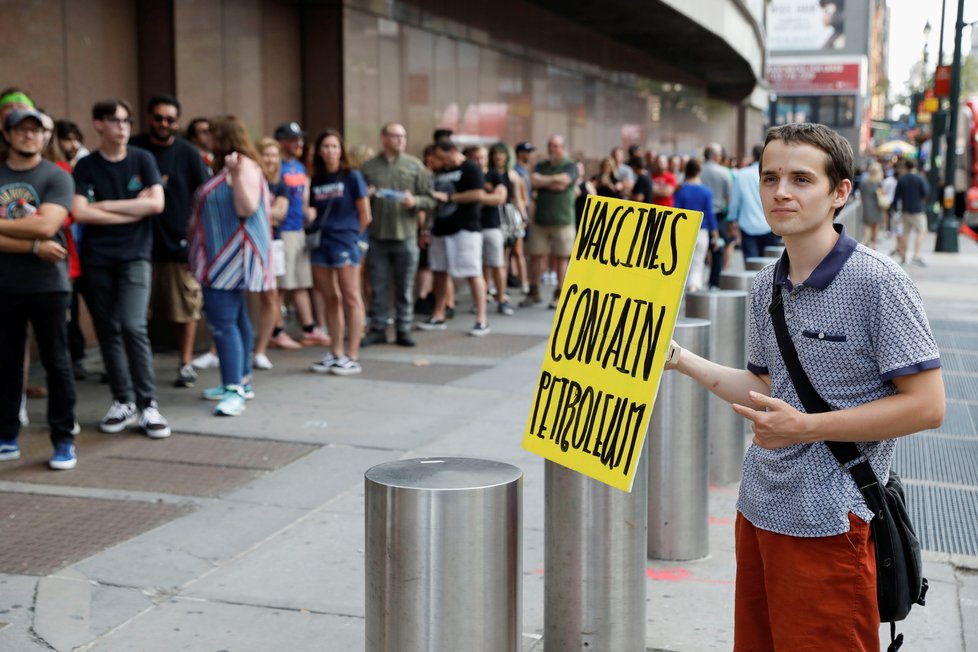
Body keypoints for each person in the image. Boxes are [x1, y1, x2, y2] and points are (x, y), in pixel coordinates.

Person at [665, 122, 944, 650]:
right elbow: (765, 386)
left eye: (800, 179)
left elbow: (927, 407)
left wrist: (805, 427)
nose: (781, 193)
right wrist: (679, 359)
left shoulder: (879, 282)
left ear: (840, 192)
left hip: (832, 521)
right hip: (758, 510)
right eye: (770, 178)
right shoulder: (764, 282)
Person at [71, 98, 170, 438]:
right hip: (98, 260)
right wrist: (133, 207)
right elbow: (80, 212)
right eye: (115, 121)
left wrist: (106, 206)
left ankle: (148, 404)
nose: (123, 127)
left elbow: (157, 204)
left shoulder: (143, 159)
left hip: (135, 257)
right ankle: (122, 401)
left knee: (132, 325)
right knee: (108, 330)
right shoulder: (86, 167)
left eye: (126, 121)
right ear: (98, 125)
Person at [0, 107, 79, 469]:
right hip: (5, 285)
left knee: (56, 362)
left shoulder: (56, 177)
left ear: (45, 136)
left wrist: (29, 233)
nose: (28, 136)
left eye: (35, 130)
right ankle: (6, 435)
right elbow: (37, 234)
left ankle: (63, 439)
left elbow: (47, 226)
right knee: (7, 364)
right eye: (21, 130)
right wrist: (32, 245)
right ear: (8, 135)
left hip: (49, 285)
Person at [188, 115, 272, 416]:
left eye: (210, 133)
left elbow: (246, 207)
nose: (205, 137)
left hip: (228, 259)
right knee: (236, 320)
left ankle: (234, 388)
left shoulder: (242, 165)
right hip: (223, 256)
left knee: (223, 324)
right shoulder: (233, 165)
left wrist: (235, 175)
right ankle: (241, 381)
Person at [130, 94, 210, 389]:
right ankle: (136, 367)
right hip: (137, 243)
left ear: (177, 122)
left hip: (179, 245)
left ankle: (185, 362)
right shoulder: (134, 149)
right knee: (135, 312)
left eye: (170, 119)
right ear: (149, 118)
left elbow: (203, 199)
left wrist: (198, 244)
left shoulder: (188, 153)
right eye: (159, 118)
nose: (164, 124)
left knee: (185, 308)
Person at [359, 122, 435, 347]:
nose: (401, 140)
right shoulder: (369, 167)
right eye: (395, 136)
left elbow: (429, 198)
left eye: (403, 136)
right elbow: (358, 199)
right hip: (378, 236)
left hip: (406, 236)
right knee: (379, 286)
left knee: (404, 286)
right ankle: (379, 328)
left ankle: (403, 328)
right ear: (384, 138)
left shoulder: (415, 165)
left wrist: (415, 202)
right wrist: (367, 195)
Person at [306, 130, 371, 375]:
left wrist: (354, 239)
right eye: (326, 146)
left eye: (334, 146)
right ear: (319, 151)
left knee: (350, 296)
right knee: (329, 296)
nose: (330, 151)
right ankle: (335, 351)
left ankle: (352, 354)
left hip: (345, 242)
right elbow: (312, 212)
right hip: (321, 243)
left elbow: (365, 215)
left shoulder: (352, 176)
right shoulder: (317, 179)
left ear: (341, 150)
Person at [418, 139, 490, 335]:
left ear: (451, 152)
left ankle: (481, 319)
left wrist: (450, 198)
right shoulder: (440, 171)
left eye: (441, 157)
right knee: (439, 272)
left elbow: (478, 194)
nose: (439, 162)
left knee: (472, 273)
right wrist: (425, 228)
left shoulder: (470, 167)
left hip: (465, 228)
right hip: (441, 228)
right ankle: (438, 314)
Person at [275, 121, 329, 347]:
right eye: (292, 139)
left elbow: (303, 197)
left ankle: (308, 328)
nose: (298, 143)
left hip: (299, 229)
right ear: (281, 142)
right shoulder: (275, 167)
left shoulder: (299, 167)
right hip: (282, 230)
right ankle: (276, 331)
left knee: (300, 281)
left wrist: (309, 212)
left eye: (299, 139)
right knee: (280, 284)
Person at [524, 134, 577, 309]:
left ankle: (559, 293)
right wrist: (553, 180)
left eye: (555, 146)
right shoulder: (542, 165)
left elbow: (564, 182)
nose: (552, 149)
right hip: (541, 219)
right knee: (535, 255)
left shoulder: (569, 165)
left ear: (562, 147)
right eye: (549, 145)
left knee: (562, 257)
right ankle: (534, 291)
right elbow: (534, 180)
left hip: (562, 220)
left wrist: (544, 182)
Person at [468, 145, 512, 315]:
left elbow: (500, 197)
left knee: (497, 264)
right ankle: (480, 300)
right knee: (476, 268)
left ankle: (501, 299)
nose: (480, 161)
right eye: (476, 157)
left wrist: (476, 197)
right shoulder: (468, 175)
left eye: (483, 157)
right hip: (472, 227)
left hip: (491, 226)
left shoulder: (494, 175)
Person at [672, 158, 719, 293]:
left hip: (684, 231)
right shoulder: (706, 192)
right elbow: (710, 214)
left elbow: (676, 210)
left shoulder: (680, 190)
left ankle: (680, 289)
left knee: (682, 263)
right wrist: (715, 235)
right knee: (698, 263)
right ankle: (694, 287)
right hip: (701, 231)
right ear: (699, 171)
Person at [729, 144, 782, 262]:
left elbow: (735, 201)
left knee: (751, 263)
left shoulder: (742, 174)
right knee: (771, 264)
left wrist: (732, 219)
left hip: (748, 225)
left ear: (752, 156)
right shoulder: (773, 174)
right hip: (770, 225)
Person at [700, 143, 733, 288]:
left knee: (697, 251)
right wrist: (731, 219)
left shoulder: (698, 171)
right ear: (716, 156)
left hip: (699, 216)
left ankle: (695, 281)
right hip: (718, 216)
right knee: (717, 249)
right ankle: (714, 282)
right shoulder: (724, 172)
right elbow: (729, 197)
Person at [892, 158, 930, 266]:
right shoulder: (920, 178)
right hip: (918, 210)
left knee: (905, 233)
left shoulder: (902, 179)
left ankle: (904, 255)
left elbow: (896, 197)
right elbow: (926, 192)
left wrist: (895, 209)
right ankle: (916, 255)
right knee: (921, 231)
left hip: (905, 211)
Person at [860, 161, 885, 249]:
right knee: (875, 226)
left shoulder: (864, 182)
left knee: (867, 225)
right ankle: (873, 243)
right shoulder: (879, 183)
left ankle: (867, 241)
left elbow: (861, 196)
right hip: (877, 207)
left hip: (867, 207)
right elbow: (883, 195)